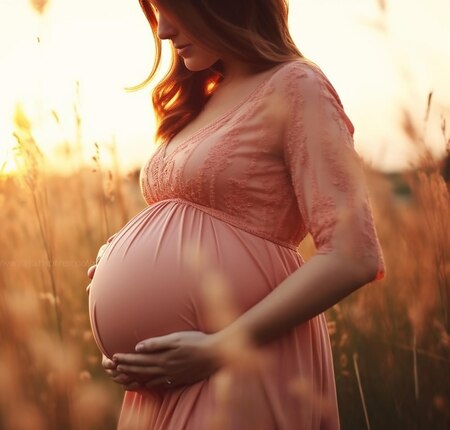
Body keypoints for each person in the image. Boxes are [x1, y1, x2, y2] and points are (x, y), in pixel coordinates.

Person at [86, 0, 385, 428]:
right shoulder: (203, 97)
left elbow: (354, 255)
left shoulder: (297, 86)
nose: (164, 31)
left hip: (244, 363)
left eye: (174, 10)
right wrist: (116, 277)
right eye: (156, 12)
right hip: (163, 386)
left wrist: (222, 346)